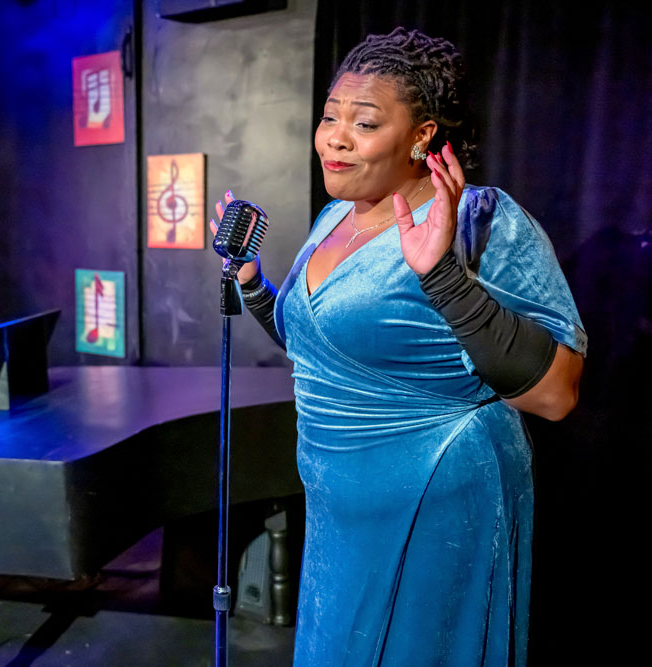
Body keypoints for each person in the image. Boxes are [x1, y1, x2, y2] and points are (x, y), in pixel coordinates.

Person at [211, 28, 586, 666]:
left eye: (364, 122)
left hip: (439, 499)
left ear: (421, 136)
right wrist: (254, 286)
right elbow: (331, 352)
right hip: (340, 511)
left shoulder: (481, 219)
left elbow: (556, 394)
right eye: (330, 117)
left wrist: (442, 276)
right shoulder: (336, 216)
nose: (334, 136)